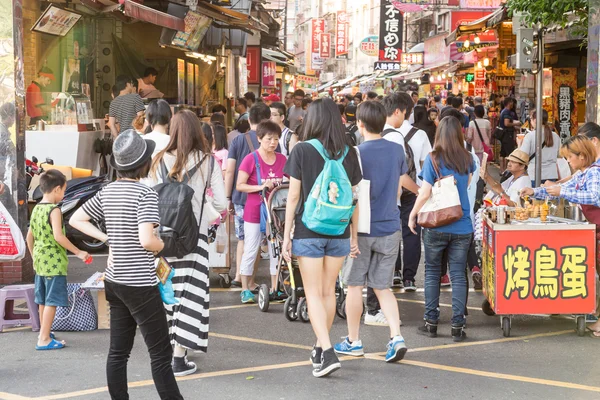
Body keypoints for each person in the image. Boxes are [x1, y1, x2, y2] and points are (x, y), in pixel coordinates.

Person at [69, 130, 184, 399]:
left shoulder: (107, 191)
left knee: (118, 352)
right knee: (160, 353)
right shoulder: (146, 194)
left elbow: (76, 220)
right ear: (143, 163)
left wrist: (107, 237)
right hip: (140, 283)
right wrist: (162, 244)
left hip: (115, 279)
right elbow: (147, 241)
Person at [282, 98, 362, 378]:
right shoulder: (349, 152)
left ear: (312, 119)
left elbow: (293, 196)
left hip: (308, 231)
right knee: (329, 292)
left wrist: (285, 236)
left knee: (313, 293)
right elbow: (354, 197)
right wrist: (353, 234)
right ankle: (320, 346)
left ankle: (327, 352)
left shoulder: (301, 150)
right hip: (338, 231)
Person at [148, 111, 226, 375]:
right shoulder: (208, 161)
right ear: (196, 131)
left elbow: (149, 200)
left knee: (168, 293)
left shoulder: (158, 160)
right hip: (196, 239)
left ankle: (170, 349)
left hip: (162, 242)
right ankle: (179, 358)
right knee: (191, 295)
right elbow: (221, 204)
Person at [333, 100, 408, 363]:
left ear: (360, 124)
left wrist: (350, 235)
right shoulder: (397, 151)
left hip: (362, 230)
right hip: (390, 227)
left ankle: (354, 341)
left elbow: (350, 197)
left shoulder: (355, 153)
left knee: (354, 286)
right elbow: (398, 188)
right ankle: (396, 336)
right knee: (383, 287)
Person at [521, 136, 600, 336]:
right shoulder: (582, 174)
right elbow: (561, 189)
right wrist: (535, 191)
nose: (568, 162)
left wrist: (562, 193)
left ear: (582, 156)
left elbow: (594, 197)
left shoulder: (593, 173)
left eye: (569, 157)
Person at [409, 116, 476, 342]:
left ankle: (431, 322)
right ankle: (458, 325)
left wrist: (413, 213)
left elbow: (425, 192)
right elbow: (465, 186)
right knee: (458, 275)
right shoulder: (467, 159)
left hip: (436, 224)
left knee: (432, 273)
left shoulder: (433, 159)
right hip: (462, 224)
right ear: (459, 133)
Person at [26, 170, 90, 350]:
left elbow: (29, 237)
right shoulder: (54, 210)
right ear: (56, 189)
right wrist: (78, 252)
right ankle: (44, 339)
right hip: (54, 262)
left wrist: (33, 257)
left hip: (40, 261)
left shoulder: (37, 208)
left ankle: (43, 332)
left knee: (43, 299)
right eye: (64, 190)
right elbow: (58, 236)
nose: (63, 194)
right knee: (52, 300)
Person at [382, 92, 431, 291]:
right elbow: (425, 164)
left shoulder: (378, 132)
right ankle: (409, 278)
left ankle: (395, 272)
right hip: (413, 189)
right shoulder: (420, 135)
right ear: (402, 111)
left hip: (389, 192)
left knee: (392, 232)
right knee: (411, 233)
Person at [236, 121, 287, 303]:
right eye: (269, 139)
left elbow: (291, 183)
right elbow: (240, 185)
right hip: (254, 211)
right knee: (251, 248)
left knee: (275, 250)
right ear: (259, 138)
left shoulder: (282, 159)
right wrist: (262, 186)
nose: (273, 142)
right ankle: (245, 289)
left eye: (276, 139)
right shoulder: (251, 159)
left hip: (275, 214)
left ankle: (275, 288)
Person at [225, 103, 275, 289]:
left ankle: (239, 276)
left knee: (243, 238)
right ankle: (251, 281)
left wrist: (228, 196)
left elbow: (230, 171)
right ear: (268, 119)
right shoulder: (271, 141)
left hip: (240, 197)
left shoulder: (238, 141)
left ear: (248, 120)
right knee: (257, 240)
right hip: (262, 198)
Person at [520, 109, 560, 186]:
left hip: (534, 174)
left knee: (535, 197)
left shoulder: (530, 136)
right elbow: (559, 155)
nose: (530, 121)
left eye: (530, 119)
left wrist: (519, 144)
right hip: (551, 174)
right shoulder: (555, 136)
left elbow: (522, 156)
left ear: (535, 120)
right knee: (549, 198)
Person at [0, 102, 17, 217]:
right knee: (9, 212)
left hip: (3, 178)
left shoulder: (3, 130)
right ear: (10, 117)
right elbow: (10, 153)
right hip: (2, 180)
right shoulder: (2, 133)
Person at [498, 97, 522, 171]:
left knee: (503, 153)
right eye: (511, 102)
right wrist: (515, 124)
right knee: (509, 153)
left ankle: (502, 170)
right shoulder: (507, 112)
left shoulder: (503, 111)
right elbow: (506, 123)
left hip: (503, 135)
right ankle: (507, 170)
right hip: (507, 134)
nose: (513, 104)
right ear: (509, 103)